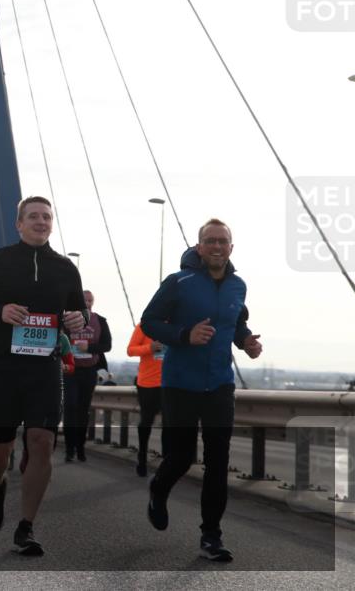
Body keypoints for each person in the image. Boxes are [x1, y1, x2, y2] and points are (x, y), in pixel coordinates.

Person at [0, 196, 87, 556]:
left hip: (44, 367)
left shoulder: (64, 268)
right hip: (1, 367)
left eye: (47, 216)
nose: (41, 221)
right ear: (19, 224)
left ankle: (26, 527)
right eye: (33, 216)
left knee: (42, 441)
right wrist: (0, 312)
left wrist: (80, 319)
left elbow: (80, 311)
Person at [142, 218, 261, 563]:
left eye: (222, 241)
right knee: (180, 458)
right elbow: (149, 322)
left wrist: (246, 342)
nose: (217, 246)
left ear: (231, 247)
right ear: (199, 247)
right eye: (210, 241)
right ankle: (158, 489)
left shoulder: (238, 285)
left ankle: (211, 535)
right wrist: (184, 335)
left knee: (218, 462)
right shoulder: (179, 283)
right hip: (180, 383)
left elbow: (237, 322)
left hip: (220, 385)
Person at [63, 290, 112, 462]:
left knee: (83, 411)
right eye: (85, 300)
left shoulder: (100, 320)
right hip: (70, 370)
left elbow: (107, 345)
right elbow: (57, 341)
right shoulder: (66, 320)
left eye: (90, 300)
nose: (88, 303)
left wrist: (88, 349)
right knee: (70, 407)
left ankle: (80, 447)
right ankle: (69, 449)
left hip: (89, 370)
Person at [127, 323, 164, 476]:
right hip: (147, 383)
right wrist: (150, 348)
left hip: (170, 383)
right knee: (146, 423)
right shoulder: (144, 325)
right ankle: (142, 459)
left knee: (169, 424)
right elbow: (130, 350)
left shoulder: (177, 323)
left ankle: (167, 463)